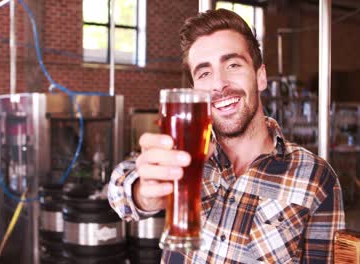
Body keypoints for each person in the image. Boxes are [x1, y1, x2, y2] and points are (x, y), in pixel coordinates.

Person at [108, 9, 345, 263]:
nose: (219, 84)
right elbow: (119, 191)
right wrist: (145, 192)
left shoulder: (315, 177)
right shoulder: (182, 155)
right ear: (195, 91)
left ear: (260, 76)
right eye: (204, 73)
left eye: (232, 65)